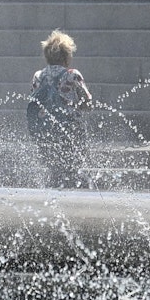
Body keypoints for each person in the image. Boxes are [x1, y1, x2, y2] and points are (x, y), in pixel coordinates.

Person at [28, 30, 93, 188]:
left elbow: (35, 101)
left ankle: (53, 197)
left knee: (54, 170)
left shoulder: (38, 75)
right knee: (73, 167)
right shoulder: (72, 75)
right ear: (67, 56)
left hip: (46, 130)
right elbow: (88, 103)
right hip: (71, 129)